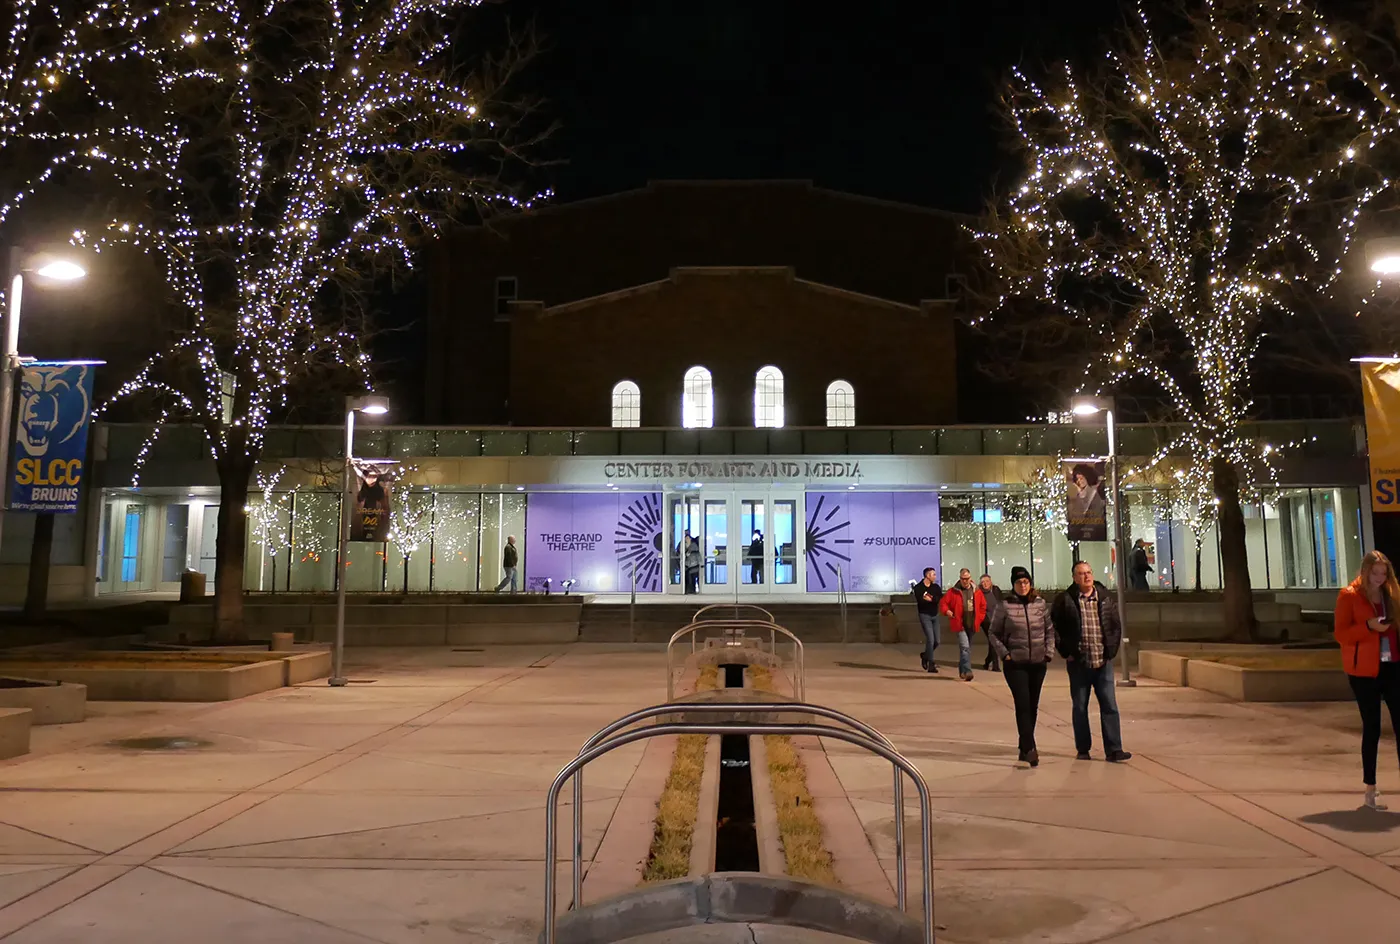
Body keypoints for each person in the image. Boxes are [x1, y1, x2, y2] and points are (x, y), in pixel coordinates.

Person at [1334, 550, 1400, 810]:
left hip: (1393, 666)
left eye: (1384, 574)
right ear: (1365, 571)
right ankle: (1370, 788)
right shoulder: (1349, 596)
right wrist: (1369, 627)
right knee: (1371, 727)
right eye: (1375, 574)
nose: (1380, 579)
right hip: (1364, 671)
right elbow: (1341, 634)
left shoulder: (1391, 594)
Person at [1052, 561, 1132, 763]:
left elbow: (1115, 625)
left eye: (1088, 572)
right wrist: (1065, 651)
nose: (1086, 577)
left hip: (1102, 661)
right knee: (1080, 706)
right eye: (1081, 574)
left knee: (1110, 706)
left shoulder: (1105, 598)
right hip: (1079, 662)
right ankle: (1083, 748)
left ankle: (1114, 749)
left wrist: (1110, 651)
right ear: (1074, 578)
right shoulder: (1066, 600)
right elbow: (1055, 628)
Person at [987, 566, 1054, 766]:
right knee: (1023, 703)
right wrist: (1005, 654)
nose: (1022, 586)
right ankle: (1030, 747)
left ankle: (1024, 745)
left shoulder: (1040, 604)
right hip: (1015, 664)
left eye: (1025, 582)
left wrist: (1048, 652)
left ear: (1030, 583)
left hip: (1038, 663)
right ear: (1013, 585)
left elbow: (1049, 630)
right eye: (1018, 582)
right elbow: (993, 633)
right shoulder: (1005, 605)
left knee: (1032, 705)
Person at [940, 568, 985, 681]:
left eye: (967, 579)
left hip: (972, 624)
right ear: (960, 579)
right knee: (965, 648)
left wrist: (979, 618)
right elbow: (943, 604)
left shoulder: (977, 591)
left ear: (970, 578)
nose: (965, 581)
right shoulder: (953, 591)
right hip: (960, 624)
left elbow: (983, 606)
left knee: (966, 648)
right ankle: (968, 670)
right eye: (963, 579)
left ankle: (962, 671)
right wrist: (947, 611)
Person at [911, 568, 942, 673]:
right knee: (930, 639)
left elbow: (939, 599)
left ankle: (925, 655)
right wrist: (930, 600)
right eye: (933, 574)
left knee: (937, 641)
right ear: (927, 575)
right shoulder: (918, 588)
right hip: (925, 615)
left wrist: (931, 599)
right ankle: (931, 663)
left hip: (935, 615)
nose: (935, 576)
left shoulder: (936, 587)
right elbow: (921, 601)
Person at [980, 574, 1003, 671]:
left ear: (991, 582)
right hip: (986, 620)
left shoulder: (996, 590)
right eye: (983, 582)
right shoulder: (979, 593)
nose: (985, 584)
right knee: (993, 640)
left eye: (987, 581)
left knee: (993, 641)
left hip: (997, 618)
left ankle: (987, 661)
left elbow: (1001, 603)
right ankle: (995, 665)